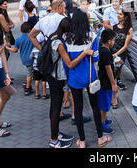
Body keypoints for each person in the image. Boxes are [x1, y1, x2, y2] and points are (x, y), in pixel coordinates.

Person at [63, 9, 113, 148]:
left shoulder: (66, 37)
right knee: (95, 107)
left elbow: (65, 62)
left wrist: (68, 75)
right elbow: (96, 57)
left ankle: (83, 141)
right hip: (90, 77)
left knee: (78, 109)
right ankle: (100, 138)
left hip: (74, 78)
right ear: (85, 21)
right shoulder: (92, 36)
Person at [45, 17, 94, 148]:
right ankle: (54, 140)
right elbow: (70, 64)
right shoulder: (59, 44)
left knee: (55, 107)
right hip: (56, 78)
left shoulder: (53, 36)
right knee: (56, 108)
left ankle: (56, 132)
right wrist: (84, 54)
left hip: (52, 76)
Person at [111, 9, 133, 108]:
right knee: (110, 76)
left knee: (114, 76)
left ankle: (114, 98)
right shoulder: (114, 27)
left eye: (120, 14)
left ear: (126, 16)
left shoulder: (129, 29)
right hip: (111, 53)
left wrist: (116, 54)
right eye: (118, 14)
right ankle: (110, 96)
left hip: (119, 56)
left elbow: (126, 46)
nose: (118, 15)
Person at [97, 29, 118, 134]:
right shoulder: (106, 52)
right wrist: (113, 84)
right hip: (105, 83)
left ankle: (103, 120)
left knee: (104, 102)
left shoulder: (102, 49)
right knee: (105, 104)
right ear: (109, 41)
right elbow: (108, 68)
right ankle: (102, 124)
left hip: (102, 81)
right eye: (113, 40)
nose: (114, 42)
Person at [5, 23, 34, 96]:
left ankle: (28, 85)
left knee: (29, 71)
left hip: (24, 58)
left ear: (20, 30)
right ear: (30, 30)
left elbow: (15, 50)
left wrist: (7, 48)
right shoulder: (32, 37)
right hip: (31, 58)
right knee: (29, 73)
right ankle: (28, 88)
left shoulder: (18, 39)